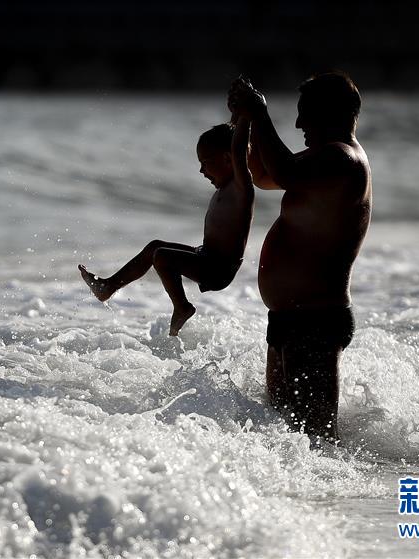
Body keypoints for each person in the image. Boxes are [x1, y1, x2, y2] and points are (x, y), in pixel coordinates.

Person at [228, 72, 372, 443]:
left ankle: (337, 497)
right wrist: (244, 120)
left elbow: (284, 171)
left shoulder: (343, 160)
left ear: (333, 113)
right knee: (285, 434)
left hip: (315, 320)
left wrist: (260, 113)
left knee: (317, 439)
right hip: (290, 318)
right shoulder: (322, 160)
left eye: (305, 113)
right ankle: (300, 497)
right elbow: (263, 174)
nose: (297, 123)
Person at [80, 120, 255, 336]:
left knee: (162, 256)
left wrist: (246, 115)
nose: (201, 170)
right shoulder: (227, 186)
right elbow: (233, 146)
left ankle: (182, 306)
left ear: (228, 159)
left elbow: (238, 150)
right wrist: (236, 118)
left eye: (205, 162)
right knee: (154, 247)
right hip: (206, 255)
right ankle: (108, 287)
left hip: (219, 268)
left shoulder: (241, 187)